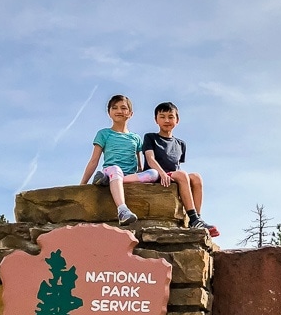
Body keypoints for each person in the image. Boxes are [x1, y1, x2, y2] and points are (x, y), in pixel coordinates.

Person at [142, 101, 220, 237]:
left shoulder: (180, 144)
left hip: (175, 176)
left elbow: (177, 165)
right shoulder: (150, 137)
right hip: (156, 174)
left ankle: (196, 218)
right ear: (156, 120)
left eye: (171, 117)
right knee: (182, 174)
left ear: (177, 120)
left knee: (196, 177)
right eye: (162, 116)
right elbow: (150, 159)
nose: (167, 120)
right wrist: (162, 173)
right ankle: (194, 218)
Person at [80, 95, 159, 226]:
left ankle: (107, 182)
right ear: (109, 112)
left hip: (128, 177)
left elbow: (139, 163)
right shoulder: (104, 134)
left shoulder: (136, 138)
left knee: (154, 173)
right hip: (111, 171)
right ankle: (122, 210)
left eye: (123, 108)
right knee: (116, 169)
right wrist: (82, 184)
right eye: (114, 108)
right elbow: (94, 160)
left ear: (131, 113)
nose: (119, 111)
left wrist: (142, 176)